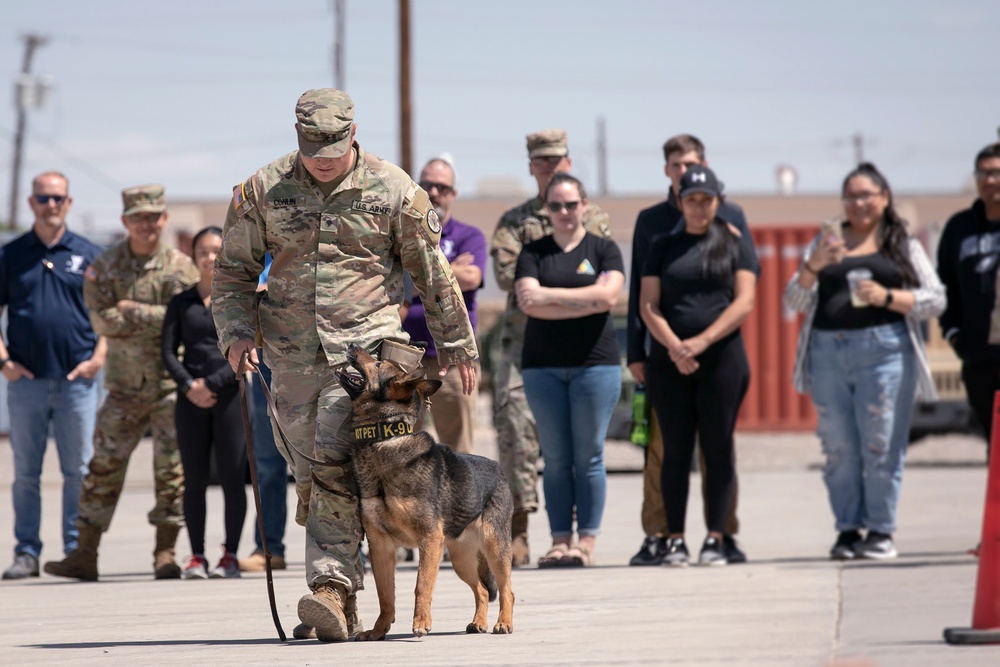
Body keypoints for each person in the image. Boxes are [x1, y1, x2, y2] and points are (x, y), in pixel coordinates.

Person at [211, 89, 477, 643]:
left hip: (368, 358)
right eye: (313, 148)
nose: (324, 158)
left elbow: (433, 271)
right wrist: (236, 336)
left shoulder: (395, 189)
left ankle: (330, 586)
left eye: (333, 146)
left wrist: (456, 343)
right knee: (309, 470)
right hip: (290, 359)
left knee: (334, 462)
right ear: (297, 138)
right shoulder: (262, 190)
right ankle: (348, 601)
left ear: (354, 133)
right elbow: (232, 273)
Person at [786, 162, 945, 560]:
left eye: (865, 195)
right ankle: (847, 531)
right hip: (827, 352)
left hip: (885, 351)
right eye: (850, 196)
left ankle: (880, 530)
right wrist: (813, 266)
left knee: (881, 444)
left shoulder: (901, 242)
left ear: (884, 198)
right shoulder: (826, 242)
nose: (857, 203)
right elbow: (794, 301)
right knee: (838, 446)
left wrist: (888, 297)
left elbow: (936, 298)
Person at [44, 184, 199, 581]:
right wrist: (154, 317)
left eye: (153, 216)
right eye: (138, 217)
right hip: (124, 389)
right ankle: (85, 553)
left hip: (169, 386)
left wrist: (131, 309)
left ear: (164, 218)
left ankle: (165, 552)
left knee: (172, 472)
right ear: (125, 221)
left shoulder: (182, 268)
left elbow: (185, 322)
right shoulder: (105, 265)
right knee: (102, 468)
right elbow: (100, 320)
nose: (146, 224)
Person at [626, 134, 756, 566]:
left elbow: (745, 299)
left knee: (718, 448)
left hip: (722, 360)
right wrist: (670, 346)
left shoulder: (734, 236)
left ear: (718, 199)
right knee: (674, 452)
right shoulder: (661, 239)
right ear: (678, 197)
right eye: (690, 198)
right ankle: (674, 539)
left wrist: (700, 342)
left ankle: (718, 538)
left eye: (706, 198)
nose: (699, 205)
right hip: (669, 360)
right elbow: (644, 303)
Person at [489, 128, 613, 566]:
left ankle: (581, 537)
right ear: (530, 166)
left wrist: (543, 283)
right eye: (542, 160)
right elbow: (507, 276)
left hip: (583, 350)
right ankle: (518, 531)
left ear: (569, 162)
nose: (550, 166)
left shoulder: (593, 217)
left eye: (557, 158)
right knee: (516, 436)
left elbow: (603, 276)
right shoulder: (514, 221)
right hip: (526, 349)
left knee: (581, 449)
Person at [0, 171, 106, 580]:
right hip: (26, 383)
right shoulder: (12, 256)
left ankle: (75, 550)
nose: (51, 205)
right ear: (31, 203)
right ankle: (26, 552)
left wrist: (99, 357)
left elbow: (107, 315)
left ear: (69, 203)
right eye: (43, 198)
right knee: (26, 472)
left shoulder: (90, 254)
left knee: (78, 470)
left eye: (58, 198)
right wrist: (4, 362)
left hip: (77, 382)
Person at [515, 173, 624, 568]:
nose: (564, 212)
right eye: (556, 205)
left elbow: (609, 296)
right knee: (557, 459)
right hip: (542, 368)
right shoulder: (534, 252)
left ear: (584, 205)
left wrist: (551, 295)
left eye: (571, 204)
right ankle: (560, 542)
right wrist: (586, 297)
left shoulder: (604, 249)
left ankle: (587, 544)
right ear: (547, 208)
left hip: (595, 366)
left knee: (590, 455)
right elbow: (528, 303)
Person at [162, 226, 246, 579]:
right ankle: (196, 555)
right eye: (203, 252)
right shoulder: (180, 302)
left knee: (231, 479)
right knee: (193, 480)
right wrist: (189, 386)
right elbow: (167, 351)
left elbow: (247, 351)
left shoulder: (237, 300)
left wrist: (212, 383)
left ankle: (230, 555)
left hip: (229, 398)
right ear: (193, 257)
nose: (210, 257)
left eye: (216, 250)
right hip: (190, 400)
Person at [401, 156, 487, 454]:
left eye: (442, 186)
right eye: (426, 185)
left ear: (453, 193)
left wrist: (414, 276)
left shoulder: (469, 236)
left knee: (459, 455)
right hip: (404, 359)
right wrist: (449, 272)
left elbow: (472, 277)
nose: (434, 192)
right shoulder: (403, 235)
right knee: (400, 451)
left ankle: (458, 504)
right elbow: (392, 285)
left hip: (451, 360)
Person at [937, 142, 1000, 453]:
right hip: (978, 357)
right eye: (982, 173)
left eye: (996, 173)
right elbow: (944, 285)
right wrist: (953, 334)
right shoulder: (959, 228)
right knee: (995, 442)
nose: (989, 180)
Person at [238, 253, 289, 573]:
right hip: (267, 362)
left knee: (329, 460)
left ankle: (349, 549)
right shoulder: (254, 238)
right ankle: (269, 548)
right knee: (268, 463)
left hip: (317, 357)